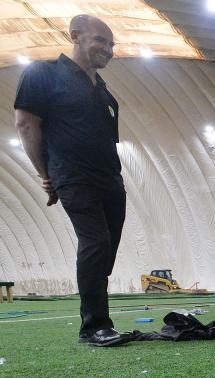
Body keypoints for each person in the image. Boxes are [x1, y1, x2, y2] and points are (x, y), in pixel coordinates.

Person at [14, 14, 127, 346]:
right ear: (75, 35)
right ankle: (93, 326)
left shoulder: (105, 94)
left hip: (110, 179)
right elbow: (26, 124)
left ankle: (97, 313)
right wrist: (46, 174)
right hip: (74, 177)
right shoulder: (42, 74)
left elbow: (107, 141)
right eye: (100, 41)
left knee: (106, 249)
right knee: (95, 242)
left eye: (111, 45)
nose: (107, 49)